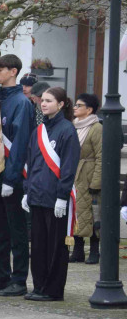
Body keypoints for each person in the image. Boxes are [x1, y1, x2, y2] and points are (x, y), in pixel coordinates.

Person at [0, 54, 34, 297]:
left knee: (16, 231)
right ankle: (0, 275)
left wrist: (11, 179)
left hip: (13, 177)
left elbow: (20, 143)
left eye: (0, 69)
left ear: (13, 72)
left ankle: (19, 279)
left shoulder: (22, 103)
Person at [22, 87, 79, 301]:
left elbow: (68, 167)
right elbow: (31, 163)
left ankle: (53, 290)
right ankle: (39, 287)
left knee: (56, 247)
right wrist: (27, 191)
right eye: (43, 100)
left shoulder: (67, 130)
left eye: (49, 101)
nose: (43, 104)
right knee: (38, 246)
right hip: (37, 195)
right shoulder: (39, 130)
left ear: (61, 104)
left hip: (55, 199)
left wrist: (62, 197)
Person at [71, 92, 102, 265]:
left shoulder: (96, 128)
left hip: (88, 176)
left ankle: (94, 251)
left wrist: (96, 182)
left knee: (92, 214)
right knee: (77, 213)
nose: (75, 108)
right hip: (74, 176)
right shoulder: (73, 126)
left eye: (79, 105)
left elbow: (101, 156)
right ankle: (78, 251)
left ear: (89, 110)